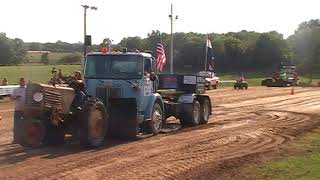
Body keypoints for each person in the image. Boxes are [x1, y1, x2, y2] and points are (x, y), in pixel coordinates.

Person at [10, 77, 26, 143]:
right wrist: (16, 97)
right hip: (18, 109)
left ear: (25, 82)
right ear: (19, 82)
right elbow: (11, 97)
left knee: (25, 124)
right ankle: (16, 139)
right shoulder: (16, 90)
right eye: (21, 82)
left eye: (23, 82)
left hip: (26, 110)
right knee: (16, 125)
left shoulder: (27, 90)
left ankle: (24, 138)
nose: (22, 83)